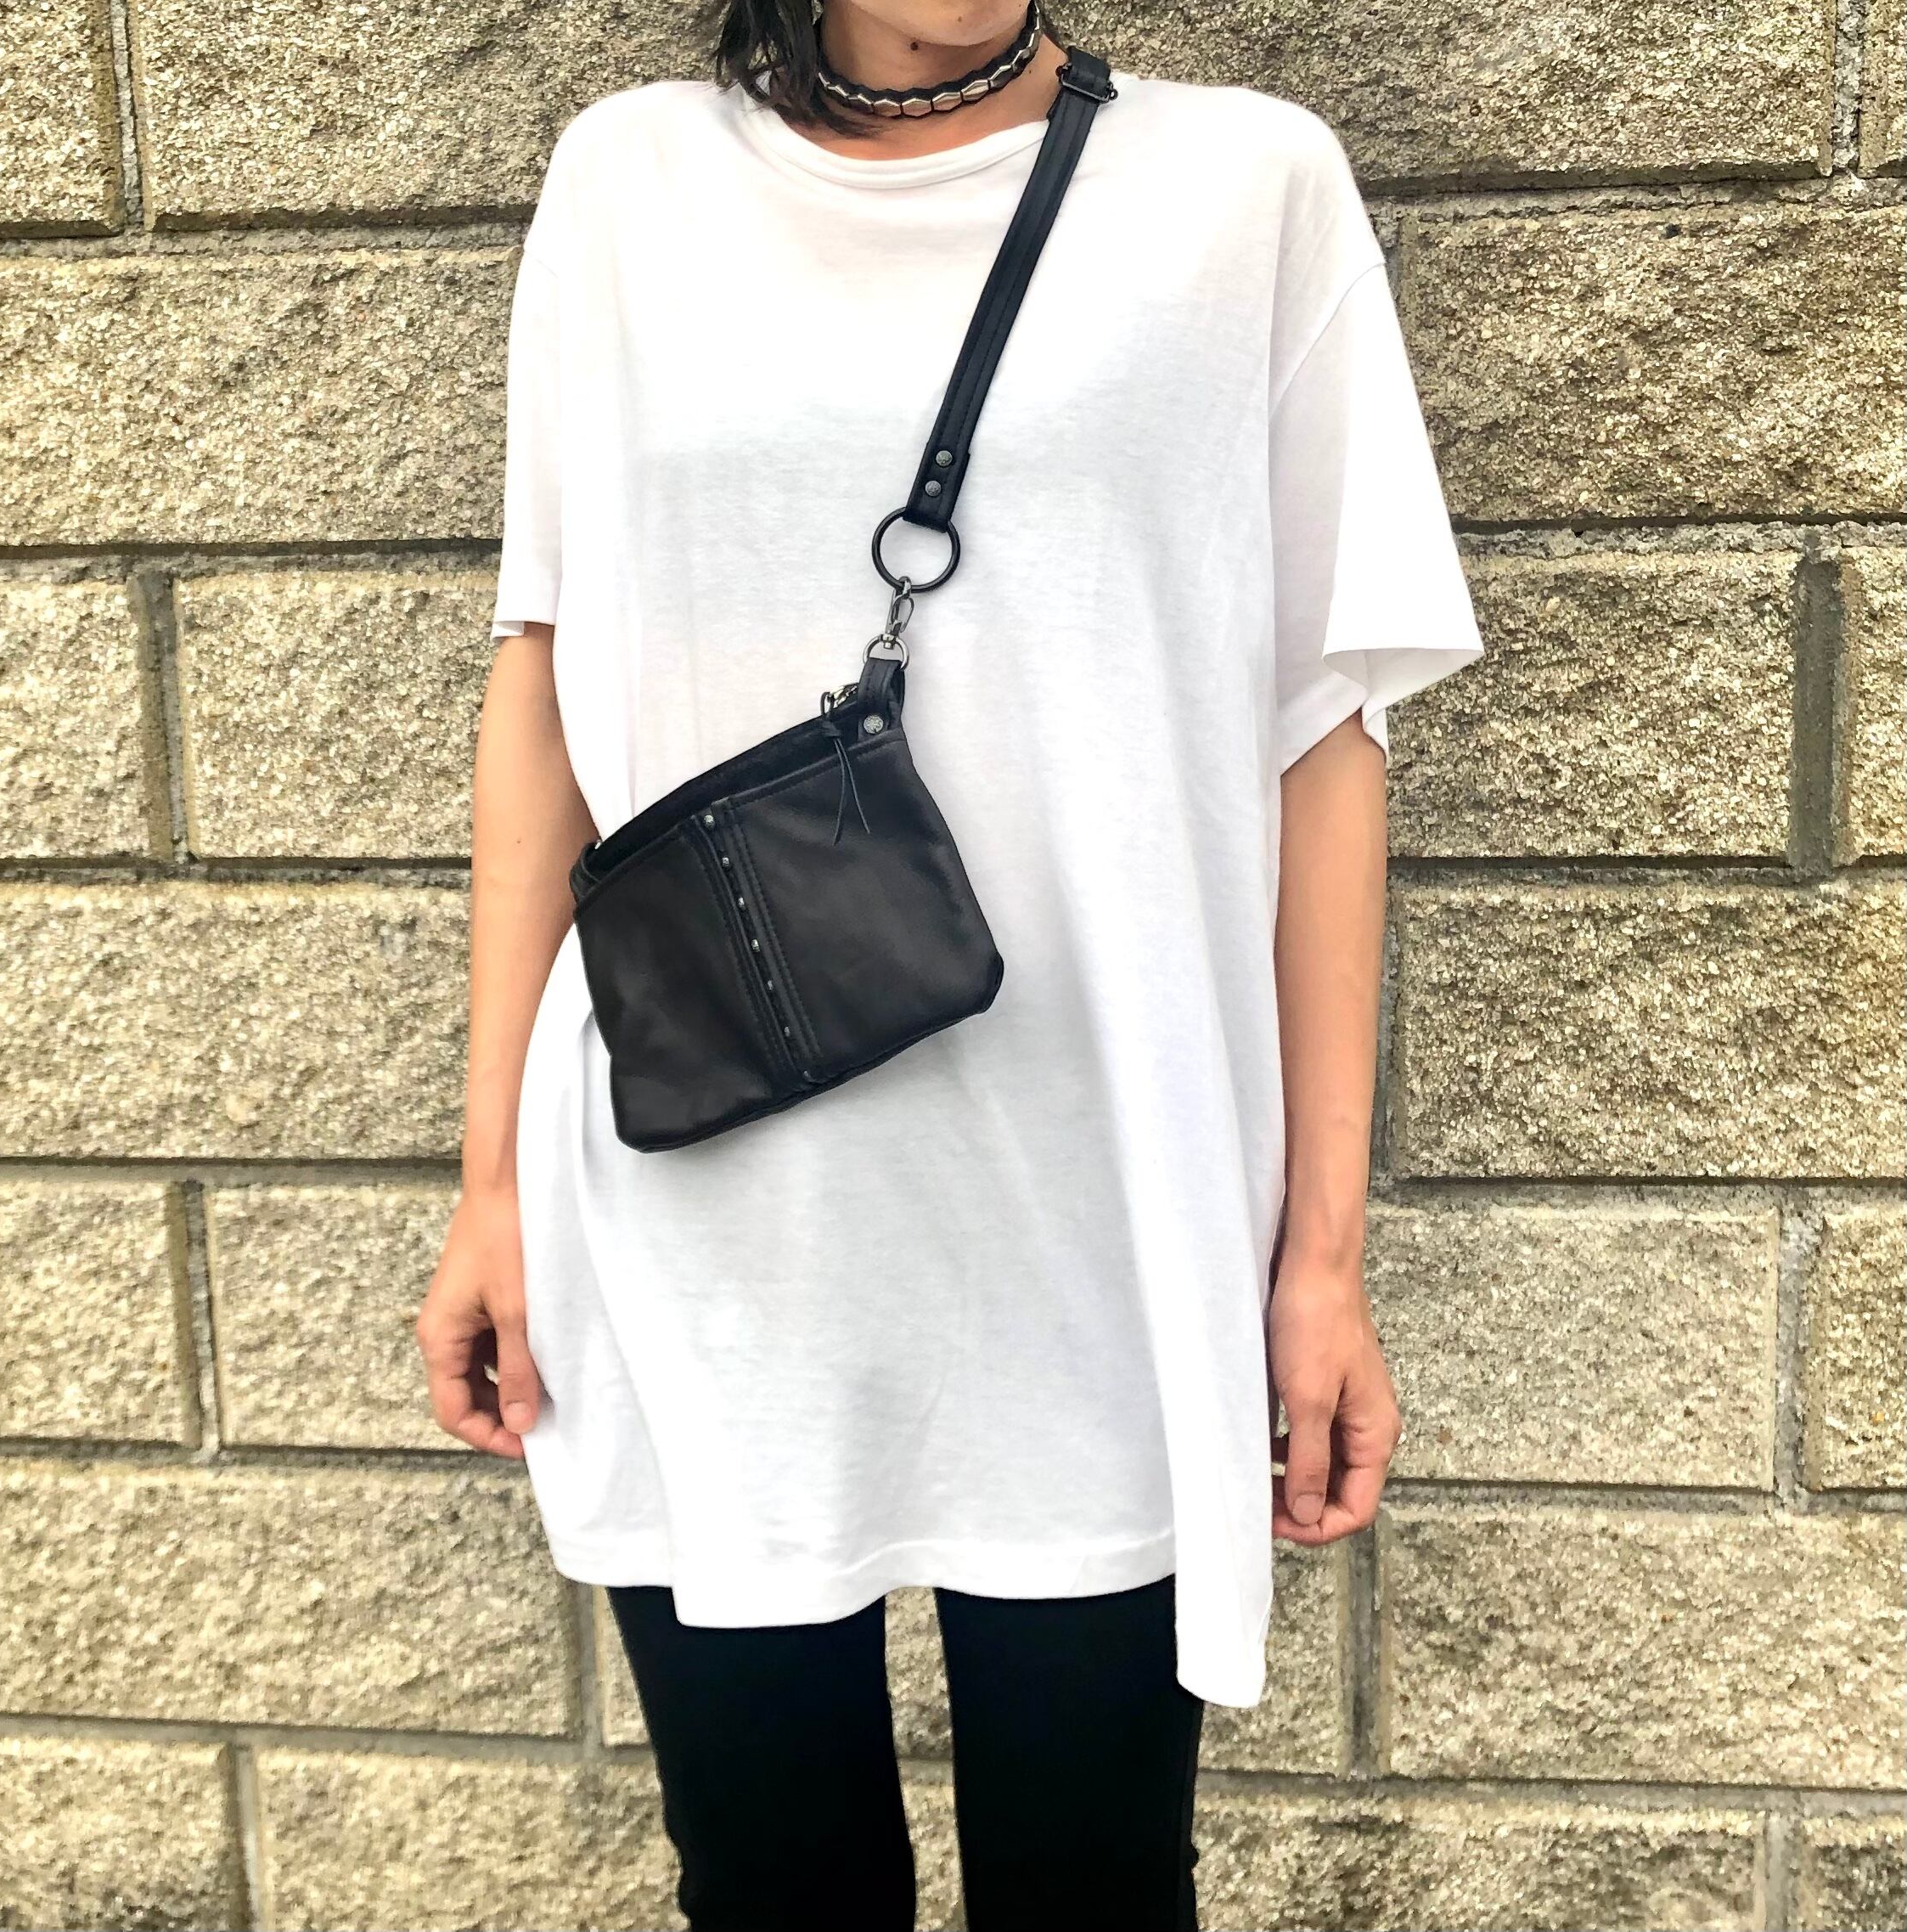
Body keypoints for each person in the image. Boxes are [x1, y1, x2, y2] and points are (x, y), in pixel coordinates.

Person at [416, 3, 1482, 1927]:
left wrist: (1320, 1254)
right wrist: (489, 1177)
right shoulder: (628, 180)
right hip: (704, 1201)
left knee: (1094, 1885)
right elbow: (544, 677)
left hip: (1104, 1222)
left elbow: (1323, 739)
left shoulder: (1246, 190)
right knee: (772, 1884)